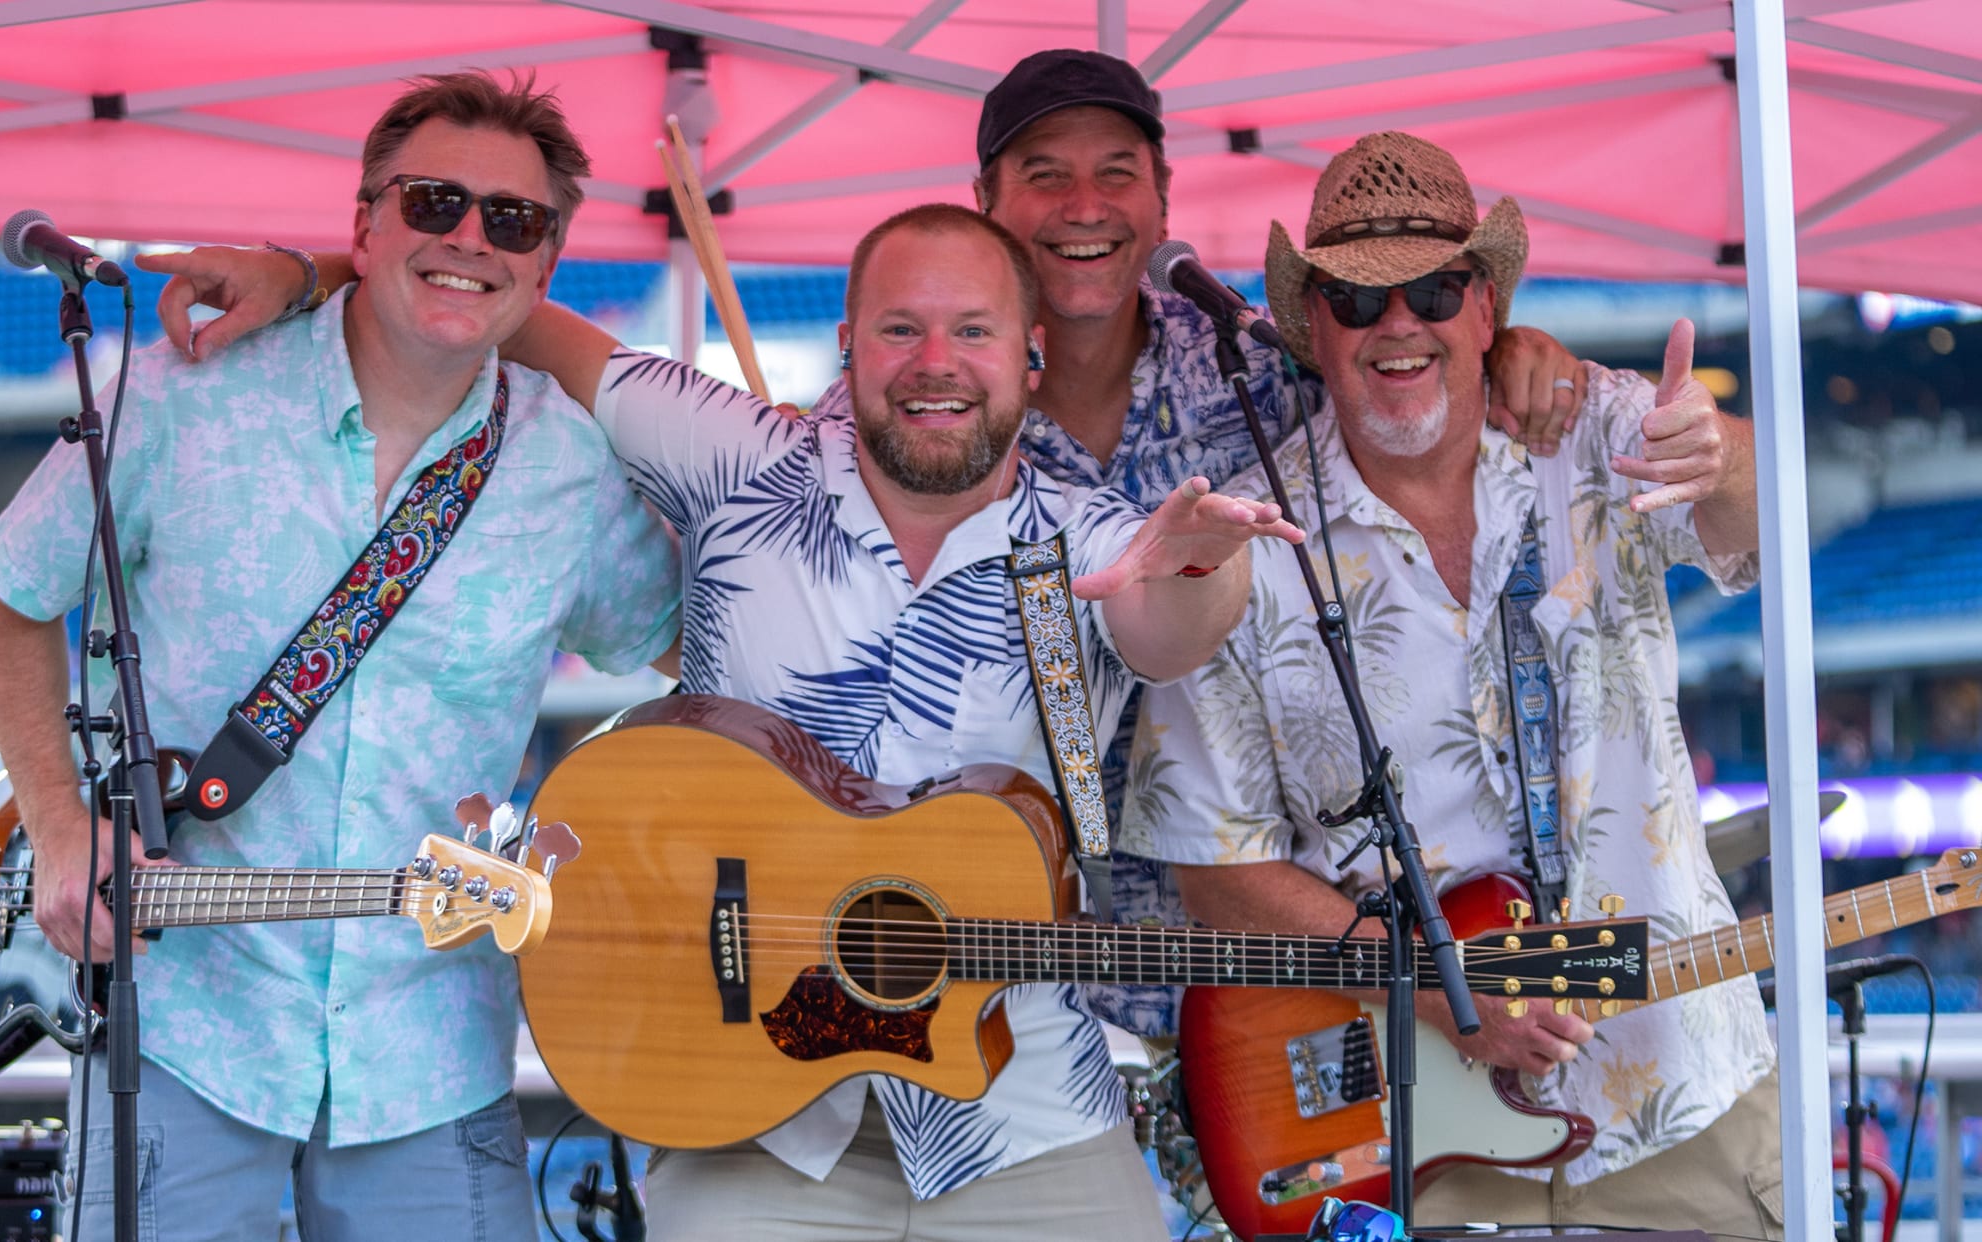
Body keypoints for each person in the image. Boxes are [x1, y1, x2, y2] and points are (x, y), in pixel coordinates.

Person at [141, 47, 1589, 1042]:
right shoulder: (782, 451)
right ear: (983, 214)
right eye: (1043, 175)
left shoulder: (1268, 372)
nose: (1083, 207)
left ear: (1158, 196)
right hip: (941, 1006)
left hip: (1224, 988)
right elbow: (508, 297)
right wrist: (319, 264)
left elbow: (1401, 374)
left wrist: (1518, 353)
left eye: (1115, 174)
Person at [0, 72, 680, 1242]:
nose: (469, 240)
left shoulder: (577, 473)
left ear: (547, 265)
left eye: (513, 220)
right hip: (186, 1029)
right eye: (434, 202)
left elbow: (700, 655)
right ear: (362, 225)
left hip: (435, 1055)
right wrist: (55, 821)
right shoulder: (180, 400)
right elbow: (9, 597)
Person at [511, 202, 1298, 1237]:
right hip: (752, 1112)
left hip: (1024, 1113)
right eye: (900, 330)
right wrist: (303, 277)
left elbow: (1170, 630)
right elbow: (507, 310)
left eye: (972, 331)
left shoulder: (1092, 541)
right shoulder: (735, 458)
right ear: (848, 346)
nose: (937, 363)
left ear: (1030, 357)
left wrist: (1204, 560)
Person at [1120, 131, 1778, 1236]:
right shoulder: (1242, 543)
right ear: (1310, 328)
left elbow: (1761, 535)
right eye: (1357, 298)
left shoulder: (1597, 430)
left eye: (1433, 287)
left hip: (1682, 1092)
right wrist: (1435, 988)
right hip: (1422, 1149)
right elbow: (1216, 870)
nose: (1399, 325)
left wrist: (1723, 459)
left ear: (1486, 312)